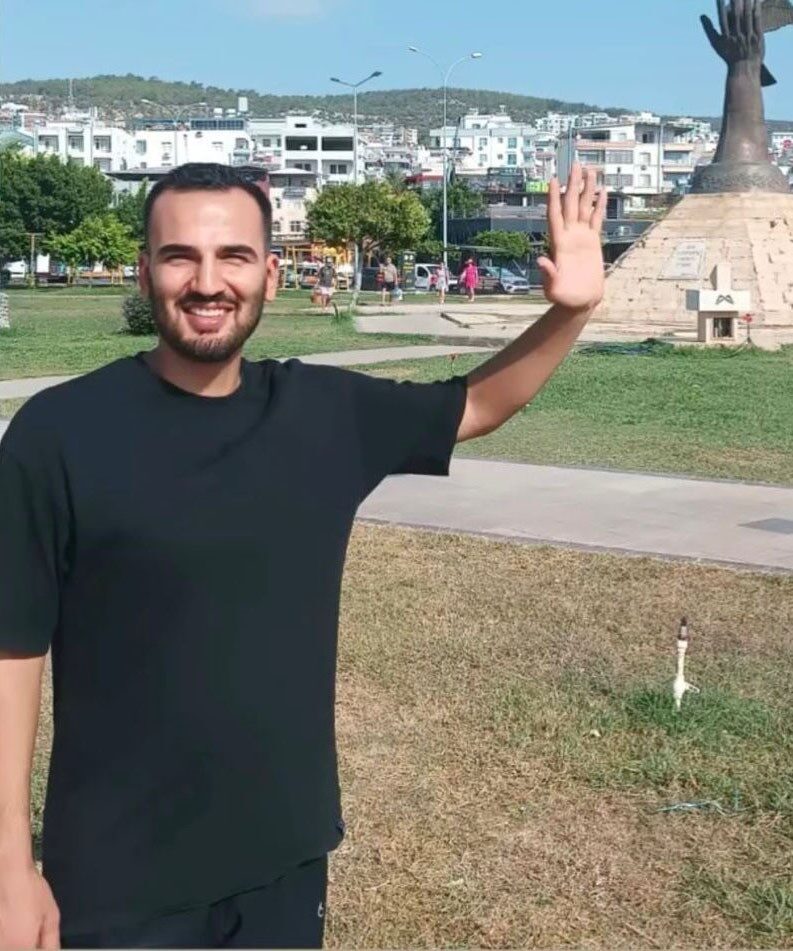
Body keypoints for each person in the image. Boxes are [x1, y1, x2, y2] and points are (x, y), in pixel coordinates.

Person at [0, 162, 605, 950]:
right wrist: (10, 866)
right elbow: (12, 650)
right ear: (144, 273)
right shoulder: (58, 434)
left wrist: (571, 310)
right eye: (180, 256)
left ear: (271, 274)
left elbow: (479, 402)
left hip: (282, 861)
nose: (207, 282)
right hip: (117, 878)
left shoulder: (324, 415)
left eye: (234, 256)